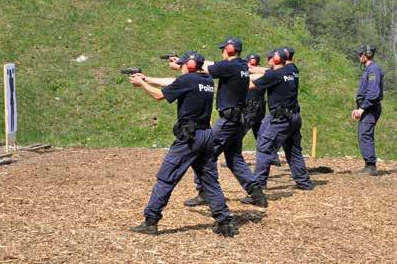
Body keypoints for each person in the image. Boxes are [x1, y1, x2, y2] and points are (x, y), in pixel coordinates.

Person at [128, 51, 238, 237]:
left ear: (192, 64)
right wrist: (147, 78)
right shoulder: (207, 81)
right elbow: (175, 83)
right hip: (206, 135)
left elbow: (158, 95)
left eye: (182, 64)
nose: (180, 66)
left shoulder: (187, 81)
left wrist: (142, 84)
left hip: (189, 138)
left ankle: (151, 221)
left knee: (166, 178)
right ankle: (224, 221)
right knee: (210, 180)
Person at [180, 38, 267, 208]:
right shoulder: (242, 65)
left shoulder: (230, 66)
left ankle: (204, 192)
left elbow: (203, 67)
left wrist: (183, 63)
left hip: (228, 120)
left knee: (204, 153)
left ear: (229, 49)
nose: (222, 51)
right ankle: (257, 193)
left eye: (223, 49)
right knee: (234, 158)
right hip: (238, 118)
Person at [248, 49, 314, 190]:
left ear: (276, 60)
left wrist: (234, 80)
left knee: (264, 148)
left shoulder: (275, 75)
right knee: (293, 149)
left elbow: (253, 84)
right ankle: (304, 182)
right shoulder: (292, 70)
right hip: (294, 117)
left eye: (270, 57)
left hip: (281, 119)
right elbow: (266, 72)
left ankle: (258, 185)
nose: (268, 59)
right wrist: (249, 69)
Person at [351, 45, 384, 176]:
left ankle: (371, 166)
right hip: (367, 107)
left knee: (365, 134)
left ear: (366, 55)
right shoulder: (369, 69)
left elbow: (373, 93)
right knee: (363, 134)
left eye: (360, 55)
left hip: (370, 108)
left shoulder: (373, 70)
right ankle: (368, 164)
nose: (359, 57)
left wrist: (362, 108)